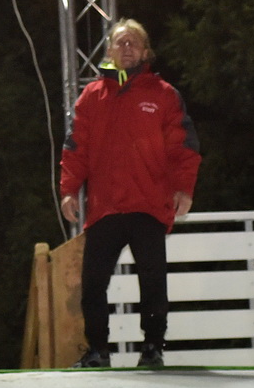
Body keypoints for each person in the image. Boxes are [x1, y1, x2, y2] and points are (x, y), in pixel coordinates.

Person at [59, 18, 202, 368]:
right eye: (120, 43)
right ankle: (98, 351)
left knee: (153, 282)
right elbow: (75, 147)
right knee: (93, 283)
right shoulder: (91, 96)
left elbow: (184, 146)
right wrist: (68, 190)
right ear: (109, 51)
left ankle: (152, 348)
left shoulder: (164, 95)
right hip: (105, 207)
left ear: (145, 51)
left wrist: (184, 188)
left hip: (149, 205)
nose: (126, 48)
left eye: (133, 42)